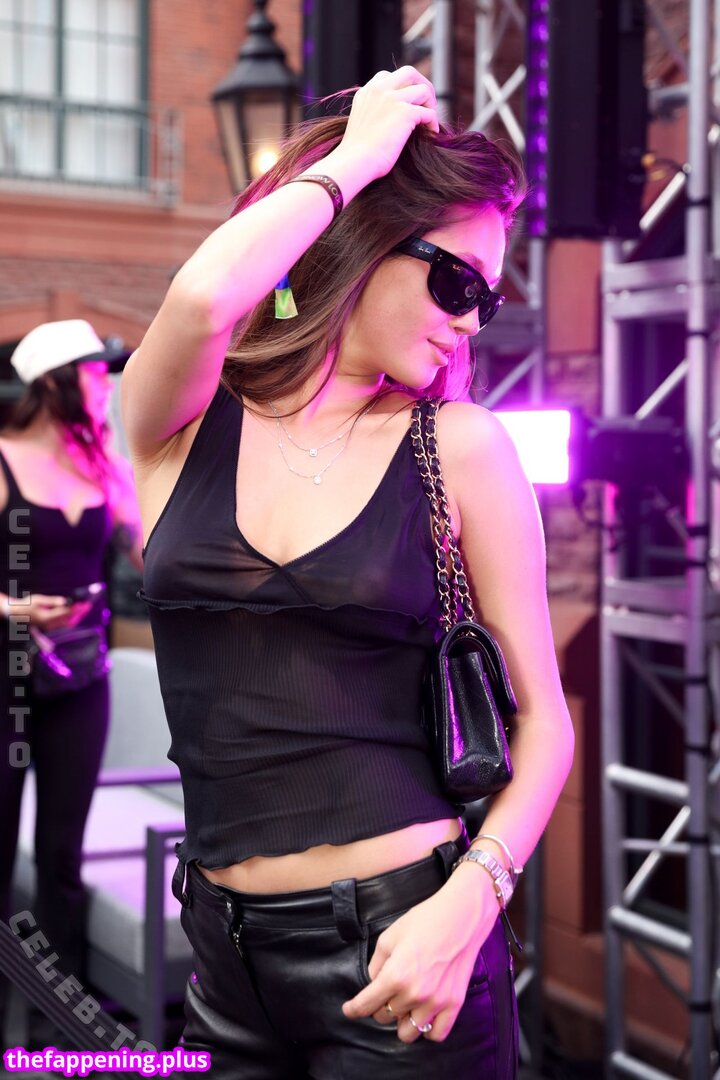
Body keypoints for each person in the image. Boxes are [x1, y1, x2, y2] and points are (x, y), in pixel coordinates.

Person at [122, 67, 574, 1077]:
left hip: (404, 945)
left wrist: (471, 903)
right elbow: (202, 297)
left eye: (490, 298)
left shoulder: (460, 446)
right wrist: (358, 160)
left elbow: (545, 723)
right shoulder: (176, 429)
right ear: (365, 240)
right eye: (459, 282)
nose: (473, 319)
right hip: (221, 961)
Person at [0, 319, 144, 1044]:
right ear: (53, 382)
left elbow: (150, 555)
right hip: (8, 675)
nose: (102, 384)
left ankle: (62, 1027)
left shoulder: (103, 464)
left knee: (62, 855)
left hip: (83, 678)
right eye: (92, 372)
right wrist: (14, 608)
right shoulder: (2, 458)